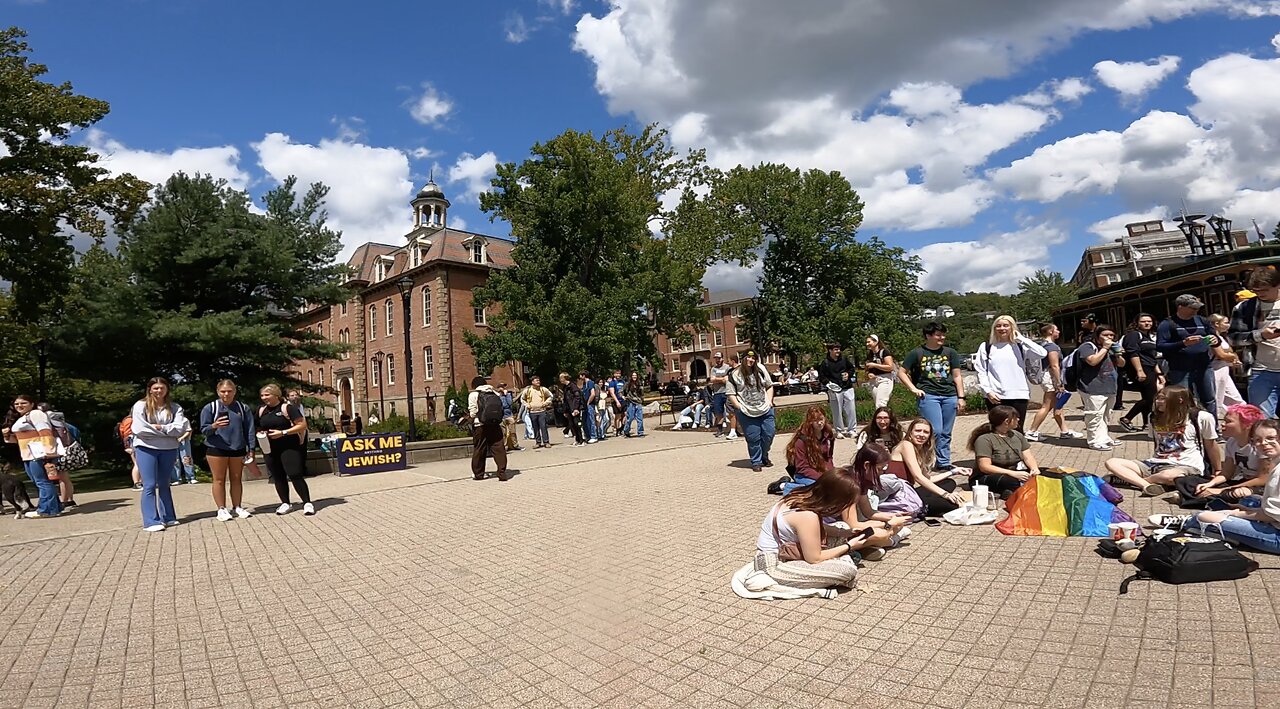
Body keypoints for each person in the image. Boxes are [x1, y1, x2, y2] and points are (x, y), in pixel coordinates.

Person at [749, 446, 904, 592]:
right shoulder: (807, 515)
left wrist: (843, 533)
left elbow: (811, 530)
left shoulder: (801, 497)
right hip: (773, 564)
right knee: (847, 571)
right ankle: (848, 556)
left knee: (842, 529)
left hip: (790, 549)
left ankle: (848, 555)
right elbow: (814, 559)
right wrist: (850, 546)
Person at [1168, 419, 1280, 554]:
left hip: (1276, 535)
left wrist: (1235, 514)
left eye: (1270, 438)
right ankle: (1224, 530)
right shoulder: (1275, 463)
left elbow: (1272, 515)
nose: (1264, 443)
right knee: (1248, 501)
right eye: (1258, 440)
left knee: (1205, 517)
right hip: (1272, 519)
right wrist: (1244, 510)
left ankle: (1189, 522)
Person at [1103, 385, 1222, 497]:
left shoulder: (1201, 417)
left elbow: (1211, 445)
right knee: (1112, 462)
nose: (1157, 402)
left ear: (1179, 400)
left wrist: (1218, 470)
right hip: (1155, 463)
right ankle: (1147, 485)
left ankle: (1131, 480)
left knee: (1168, 476)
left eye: (1163, 399)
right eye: (1157, 398)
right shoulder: (1153, 417)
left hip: (1186, 465)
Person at [898, 322, 967, 473]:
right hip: (929, 395)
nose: (942, 337)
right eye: (938, 335)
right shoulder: (917, 353)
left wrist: (961, 397)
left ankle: (943, 462)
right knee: (935, 429)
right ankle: (922, 458)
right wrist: (913, 389)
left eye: (943, 334)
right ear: (928, 336)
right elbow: (901, 372)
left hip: (949, 395)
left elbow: (957, 376)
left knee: (946, 432)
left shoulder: (950, 352)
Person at [1170, 403, 1265, 508]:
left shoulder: (1260, 446)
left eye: (1228, 422)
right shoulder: (1231, 443)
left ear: (1247, 425)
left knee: (1237, 494)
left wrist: (1221, 490)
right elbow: (1226, 473)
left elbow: (1263, 479)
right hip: (1243, 481)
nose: (1223, 424)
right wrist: (1210, 484)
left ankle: (1194, 499)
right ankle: (1202, 498)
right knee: (1185, 481)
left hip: (1261, 487)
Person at [130, 378, 189, 531]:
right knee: (149, 484)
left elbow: (180, 428)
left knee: (164, 483)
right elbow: (139, 429)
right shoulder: (140, 406)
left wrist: (160, 428)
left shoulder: (175, 408)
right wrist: (167, 431)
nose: (158, 391)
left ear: (167, 389)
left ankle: (168, 517)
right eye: (155, 388)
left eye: (162, 388)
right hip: (145, 448)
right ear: (150, 389)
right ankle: (151, 521)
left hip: (168, 449)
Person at [974, 315, 1046, 432]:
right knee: (997, 431)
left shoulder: (1020, 345)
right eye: (998, 326)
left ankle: (1017, 450)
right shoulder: (986, 347)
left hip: (1018, 394)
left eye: (1006, 325)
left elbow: (1042, 353)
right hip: (995, 396)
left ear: (1012, 327)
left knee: (1017, 430)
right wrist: (988, 391)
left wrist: (1021, 338)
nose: (1002, 328)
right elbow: (981, 371)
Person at [199, 379, 256, 522]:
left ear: (235, 391)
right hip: (217, 448)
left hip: (238, 447)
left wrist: (252, 449)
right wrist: (214, 426)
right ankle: (221, 509)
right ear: (218, 392)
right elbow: (203, 429)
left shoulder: (243, 408)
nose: (226, 394)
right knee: (219, 479)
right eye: (223, 391)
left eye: (229, 391)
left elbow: (249, 429)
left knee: (236, 479)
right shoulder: (210, 408)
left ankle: (237, 506)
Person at [255, 384, 314, 515]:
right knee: (278, 476)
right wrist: (260, 434)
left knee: (294, 474)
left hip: (289, 446)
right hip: (270, 448)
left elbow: (302, 425)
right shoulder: (261, 410)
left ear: (276, 395)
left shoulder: (288, 408)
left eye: (267, 395)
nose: (264, 398)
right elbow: (257, 426)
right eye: (262, 395)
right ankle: (285, 503)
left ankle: (307, 502)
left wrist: (283, 432)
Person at [2, 394, 63, 518]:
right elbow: (19, 440)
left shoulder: (36, 414)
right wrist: (7, 436)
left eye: (23, 403)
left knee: (42, 482)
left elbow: (45, 432)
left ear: (32, 404)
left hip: (39, 454)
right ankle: (55, 507)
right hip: (28, 454)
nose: (19, 405)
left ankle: (46, 510)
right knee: (40, 481)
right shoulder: (23, 417)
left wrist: (48, 452)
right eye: (17, 404)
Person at [1229, 267, 1280, 417]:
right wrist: (1260, 335)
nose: (1260, 294)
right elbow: (1233, 338)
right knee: (1262, 419)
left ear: (1278, 285)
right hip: (1261, 370)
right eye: (1256, 290)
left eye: (1264, 290)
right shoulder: (1244, 307)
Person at [889, 417, 965, 516]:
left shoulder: (919, 450)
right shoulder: (906, 445)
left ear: (929, 436)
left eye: (925, 432)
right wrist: (945, 494)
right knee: (952, 505)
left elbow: (929, 479)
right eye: (918, 431)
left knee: (949, 482)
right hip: (898, 495)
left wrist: (954, 471)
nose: (921, 434)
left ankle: (934, 499)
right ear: (910, 433)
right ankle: (924, 506)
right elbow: (918, 477)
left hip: (908, 491)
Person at [1157, 293, 1217, 416]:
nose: (1196, 311)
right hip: (1180, 368)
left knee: (1209, 399)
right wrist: (1183, 343)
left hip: (1204, 366)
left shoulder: (1202, 320)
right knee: (1181, 399)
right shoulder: (1168, 324)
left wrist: (1215, 340)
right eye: (1192, 308)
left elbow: (1215, 336)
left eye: (1197, 308)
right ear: (1180, 307)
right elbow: (1160, 346)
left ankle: (1212, 428)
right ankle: (1183, 425)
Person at [967, 405, 1041, 499]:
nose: (1018, 419)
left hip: (1013, 472)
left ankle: (1011, 492)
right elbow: (984, 467)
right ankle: (1015, 493)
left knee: (1044, 474)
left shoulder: (1017, 435)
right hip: (987, 476)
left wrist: (1034, 469)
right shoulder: (984, 439)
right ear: (1006, 421)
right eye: (1015, 418)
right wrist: (1011, 473)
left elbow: (1028, 456)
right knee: (1011, 481)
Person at [1025, 324, 1082, 442]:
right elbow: (1054, 365)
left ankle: (1064, 431)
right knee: (1047, 405)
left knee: (1058, 405)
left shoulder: (1041, 345)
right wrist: (1059, 383)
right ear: (1051, 332)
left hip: (1046, 377)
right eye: (1056, 329)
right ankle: (1032, 431)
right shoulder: (1052, 347)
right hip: (1050, 378)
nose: (1059, 331)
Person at [1075, 323, 1122, 451]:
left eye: (1112, 335)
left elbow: (1122, 364)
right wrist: (1105, 348)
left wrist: (1118, 353)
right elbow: (1092, 361)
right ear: (1097, 335)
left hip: (1110, 386)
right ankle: (1094, 440)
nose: (1109, 337)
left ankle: (1104, 438)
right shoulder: (1087, 346)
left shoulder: (1112, 347)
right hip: (1092, 387)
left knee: (1106, 415)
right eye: (1106, 335)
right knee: (1094, 415)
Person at [727, 350, 776, 471]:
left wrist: (769, 401)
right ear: (742, 359)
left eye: (753, 358)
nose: (751, 360)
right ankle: (756, 461)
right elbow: (730, 393)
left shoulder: (761, 370)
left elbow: (769, 386)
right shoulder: (734, 375)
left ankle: (764, 455)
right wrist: (738, 406)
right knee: (753, 438)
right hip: (747, 411)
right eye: (748, 357)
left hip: (764, 408)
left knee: (769, 434)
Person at [1118, 313, 1160, 432]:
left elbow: (1152, 357)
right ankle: (1127, 418)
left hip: (1150, 368)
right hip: (1141, 368)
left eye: (1149, 321)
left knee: (1147, 396)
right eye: (1143, 321)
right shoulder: (1133, 335)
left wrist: (1159, 373)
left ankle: (1146, 423)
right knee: (1150, 397)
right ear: (1137, 323)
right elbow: (1133, 353)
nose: (1147, 323)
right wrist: (1139, 371)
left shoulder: (1148, 337)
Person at [781, 407, 835, 494]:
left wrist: (831, 473)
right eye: (816, 421)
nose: (820, 423)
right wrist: (821, 477)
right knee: (818, 488)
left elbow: (828, 457)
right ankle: (787, 486)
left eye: (821, 419)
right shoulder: (801, 441)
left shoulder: (828, 435)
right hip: (803, 474)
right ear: (810, 422)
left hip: (821, 471)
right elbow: (802, 467)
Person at [467, 376, 509, 481]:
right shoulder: (494, 393)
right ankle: (502, 473)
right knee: (499, 449)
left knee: (479, 449)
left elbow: (473, 413)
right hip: (495, 424)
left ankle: (478, 474)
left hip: (480, 425)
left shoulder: (473, 395)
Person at [36, 404, 78, 508]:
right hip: (66, 449)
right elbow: (75, 431)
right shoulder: (59, 420)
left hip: (56, 450)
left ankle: (64, 501)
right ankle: (70, 499)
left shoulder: (47, 420)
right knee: (65, 477)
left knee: (61, 477)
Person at [1207, 313, 1246, 417]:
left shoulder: (1222, 337)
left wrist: (1233, 358)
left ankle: (1240, 417)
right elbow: (1221, 355)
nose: (1228, 325)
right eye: (1226, 322)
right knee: (1218, 398)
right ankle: (1217, 420)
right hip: (1215, 371)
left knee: (1235, 398)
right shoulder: (1212, 337)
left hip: (1224, 369)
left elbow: (1230, 351)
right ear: (1216, 324)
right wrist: (1233, 358)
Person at [816, 343, 858, 439]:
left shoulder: (844, 360)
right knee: (836, 411)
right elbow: (822, 377)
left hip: (847, 387)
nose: (838, 351)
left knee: (851, 409)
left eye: (839, 349)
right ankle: (839, 430)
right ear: (830, 350)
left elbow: (852, 369)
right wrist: (829, 384)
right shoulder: (825, 363)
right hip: (834, 390)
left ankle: (852, 430)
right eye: (835, 349)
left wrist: (848, 374)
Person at [521, 376, 554, 449]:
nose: (538, 382)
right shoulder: (528, 390)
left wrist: (545, 403)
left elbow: (550, 396)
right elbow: (522, 399)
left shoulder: (543, 389)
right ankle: (538, 442)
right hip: (532, 412)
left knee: (543, 427)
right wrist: (527, 405)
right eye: (536, 380)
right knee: (535, 428)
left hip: (542, 411)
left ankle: (546, 442)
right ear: (532, 382)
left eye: (539, 380)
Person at [864, 335, 896, 409]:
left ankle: (882, 419)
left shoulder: (884, 352)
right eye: (866, 342)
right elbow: (868, 368)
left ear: (876, 341)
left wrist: (875, 365)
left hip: (885, 379)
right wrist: (869, 374)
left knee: (881, 404)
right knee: (877, 403)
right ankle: (886, 418)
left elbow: (890, 367)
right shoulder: (870, 355)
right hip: (874, 381)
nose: (867, 344)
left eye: (869, 342)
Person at [560, 372, 587, 447]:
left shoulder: (572, 386)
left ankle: (582, 440)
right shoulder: (565, 387)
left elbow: (577, 397)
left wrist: (576, 408)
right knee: (572, 425)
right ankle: (577, 440)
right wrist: (565, 410)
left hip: (574, 408)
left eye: (561, 378)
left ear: (564, 378)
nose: (560, 380)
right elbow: (565, 400)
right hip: (569, 409)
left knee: (577, 423)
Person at [496, 383, 521, 451]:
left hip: (509, 415)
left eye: (503, 387)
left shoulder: (508, 395)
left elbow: (510, 403)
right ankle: (505, 446)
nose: (503, 388)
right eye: (501, 387)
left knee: (512, 431)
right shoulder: (497, 396)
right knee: (503, 432)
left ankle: (515, 445)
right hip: (501, 416)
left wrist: (506, 395)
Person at [622, 371, 647, 437]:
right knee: (630, 418)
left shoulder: (640, 383)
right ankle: (626, 431)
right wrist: (623, 397)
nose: (634, 376)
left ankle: (640, 432)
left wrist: (642, 400)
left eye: (635, 375)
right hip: (630, 402)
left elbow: (642, 393)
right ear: (631, 376)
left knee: (640, 419)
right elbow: (621, 392)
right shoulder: (627, 384)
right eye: (633, 375)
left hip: (638, 403)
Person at [723, 355, 740, 440]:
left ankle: (734, 431)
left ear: (733, 361)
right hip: (731, 394)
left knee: (735, 412)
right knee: (731, 412)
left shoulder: (740, 369)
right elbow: (724, 379)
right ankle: (733, 431)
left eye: (729, 360)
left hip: (738, 393)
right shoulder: (730, 371)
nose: (728, 362)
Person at [580, 371, 599, 444]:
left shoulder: (590, 383)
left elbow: (593, 394)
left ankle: (593, 436)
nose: (580, 378)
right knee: (585, 421)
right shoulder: (584, 384)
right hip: (585, 405)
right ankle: (588, 436)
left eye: (581, 376)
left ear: (584, 375)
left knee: (591, 420)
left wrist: (588, 402)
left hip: (590, 405)